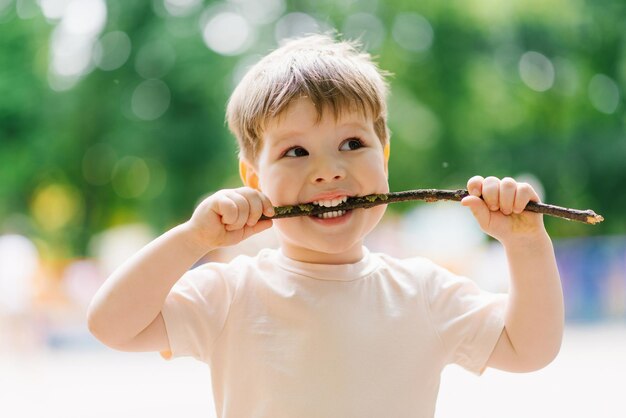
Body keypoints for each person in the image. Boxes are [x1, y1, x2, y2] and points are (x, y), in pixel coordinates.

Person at [87, 34, 564, 418]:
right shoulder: (231, 294)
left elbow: (529, 349)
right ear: (253, 180)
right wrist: (193, 239)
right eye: (295, 152)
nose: (329, 170)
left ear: (385, 156)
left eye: (352, 143)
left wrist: (526, 245)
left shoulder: (422, 292)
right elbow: (112, 325)